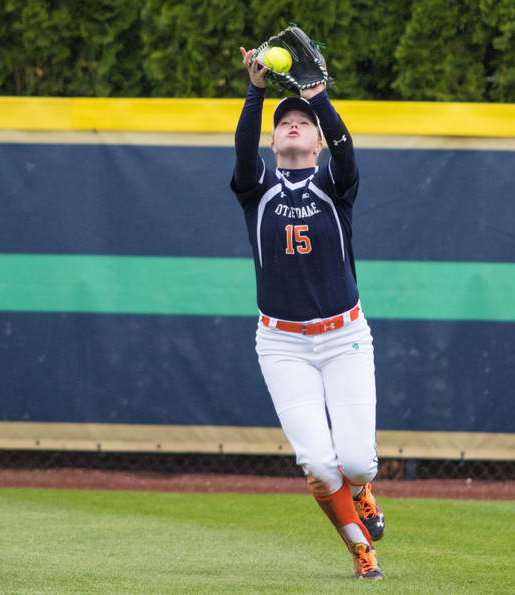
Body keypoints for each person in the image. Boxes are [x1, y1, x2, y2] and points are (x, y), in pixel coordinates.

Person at [230, 46, 385, 580]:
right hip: (281, 344)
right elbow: (241, 154)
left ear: (317, 139)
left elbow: (347, 154)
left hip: (345, 337)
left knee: (358, 462)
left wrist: (318, 97)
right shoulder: (259, 192)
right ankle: (360, 550)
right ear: (274, 141)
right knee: (319, 466)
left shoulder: (333, 186)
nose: (293, 126)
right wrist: (256, 90)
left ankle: (363, 488)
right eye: (285, 123)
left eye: (303, 123)